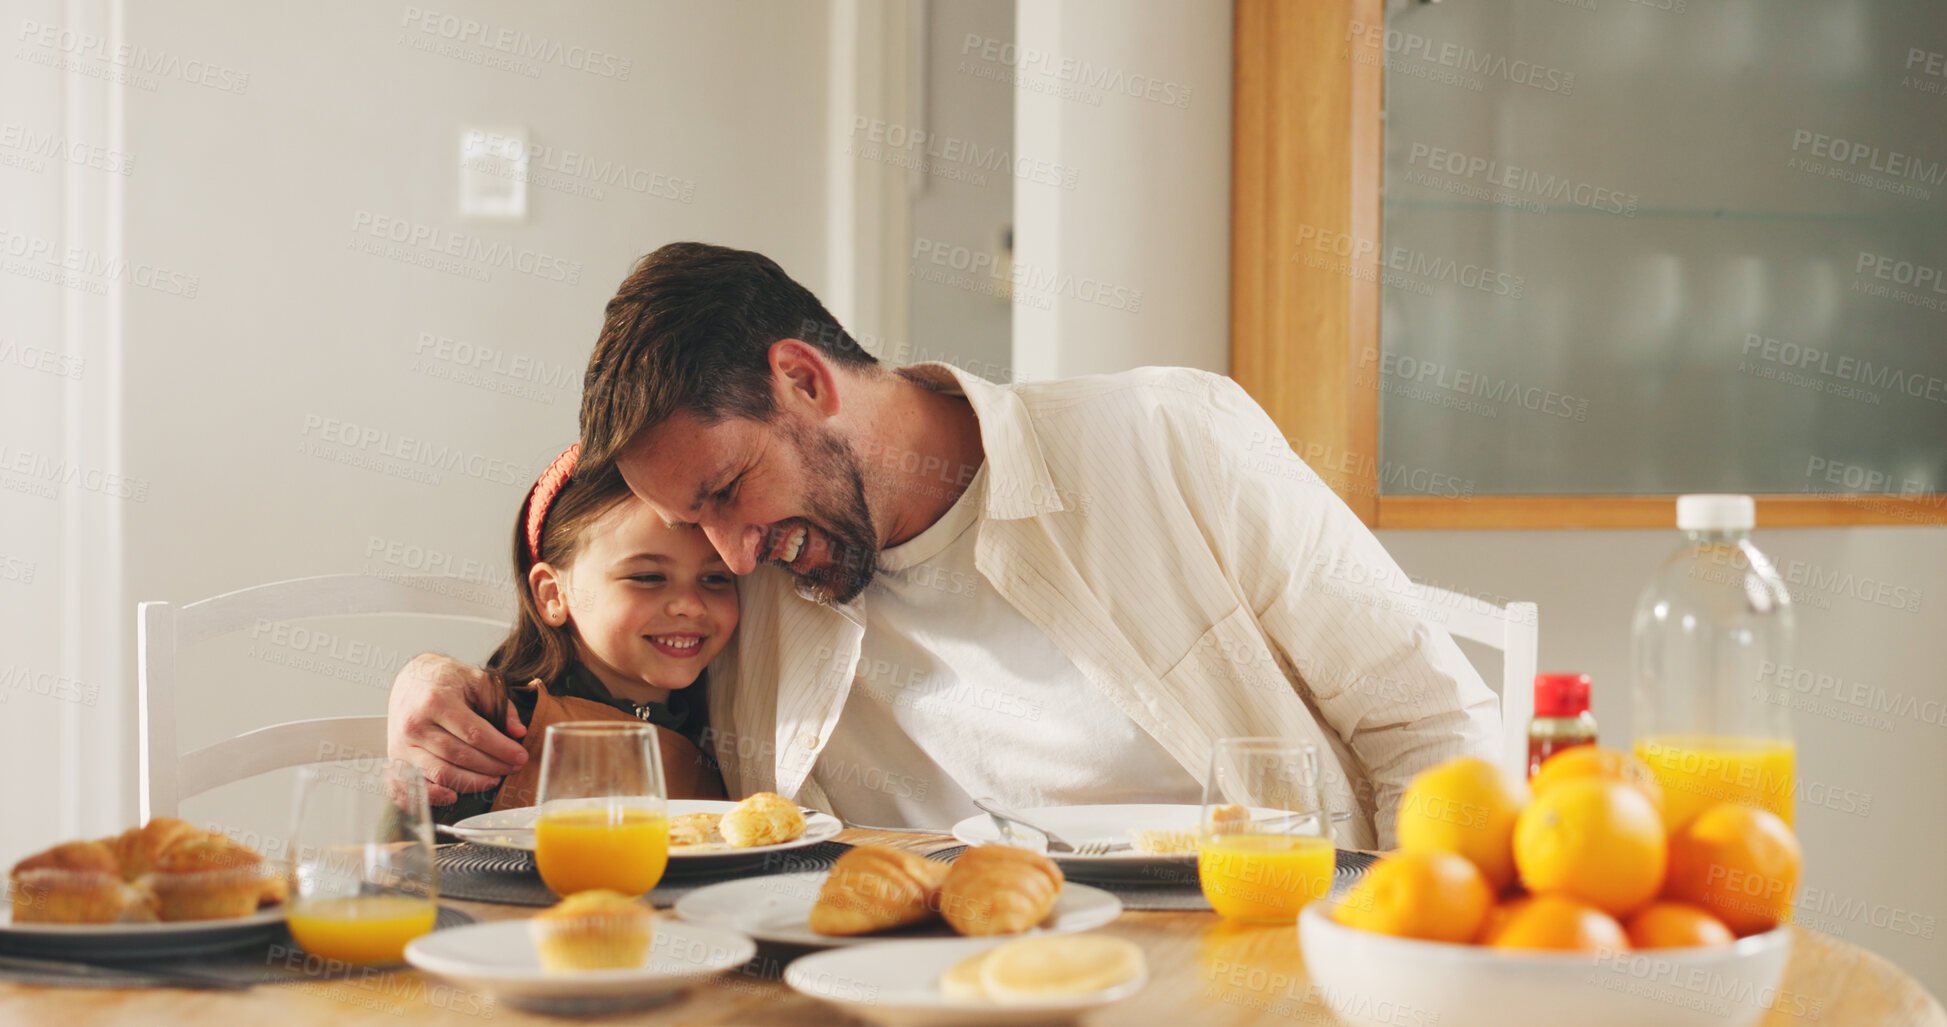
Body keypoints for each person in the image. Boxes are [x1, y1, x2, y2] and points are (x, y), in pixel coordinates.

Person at [390, 242, 1499, 848]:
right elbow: (598, 671)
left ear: (805, 380)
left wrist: (1398, 956)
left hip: (1246, 957)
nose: (724, 556)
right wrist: (431, 689)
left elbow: (1434, 728)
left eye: (728, 492)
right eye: (694, 524)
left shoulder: (1170, 440)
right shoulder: (752, 569)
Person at [397, 442, 738, 821]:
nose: (690, 604)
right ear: (553, 594)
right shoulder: (489, 731)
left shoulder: (727, 733)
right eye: (647, 577)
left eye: (715, 578)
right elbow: (412, 866)